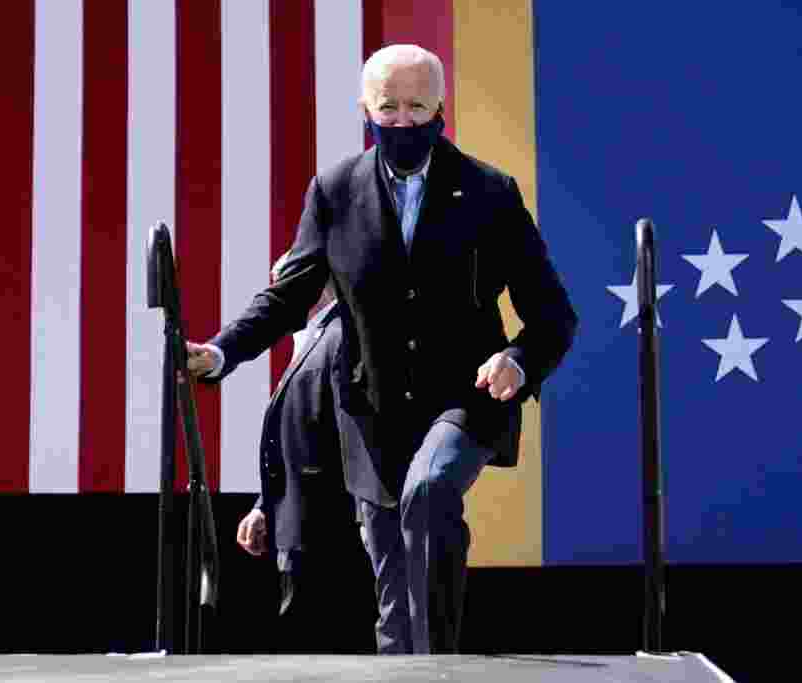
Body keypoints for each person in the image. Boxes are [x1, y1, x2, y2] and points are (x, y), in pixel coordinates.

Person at [188, 44, 578, 654]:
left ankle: (443, 665)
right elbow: (290, 299)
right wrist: (222, 351)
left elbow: (554, 315)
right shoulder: (335, 190)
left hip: (464, 399)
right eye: (388, 108)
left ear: (441, 109)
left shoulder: (489, 192)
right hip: (371, 414)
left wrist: (520, 359)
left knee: (430, 489)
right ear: (366, 111)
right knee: (395, 597)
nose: (402, 121)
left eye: (417, 107)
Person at [231, 253, 361, 635]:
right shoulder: (312, 337)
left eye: (284, 281)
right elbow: (297, 438)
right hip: (297, 532)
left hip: (327, 539)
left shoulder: (343, 336)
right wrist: (265, 507)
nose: (276, 293)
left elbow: (350, 441)